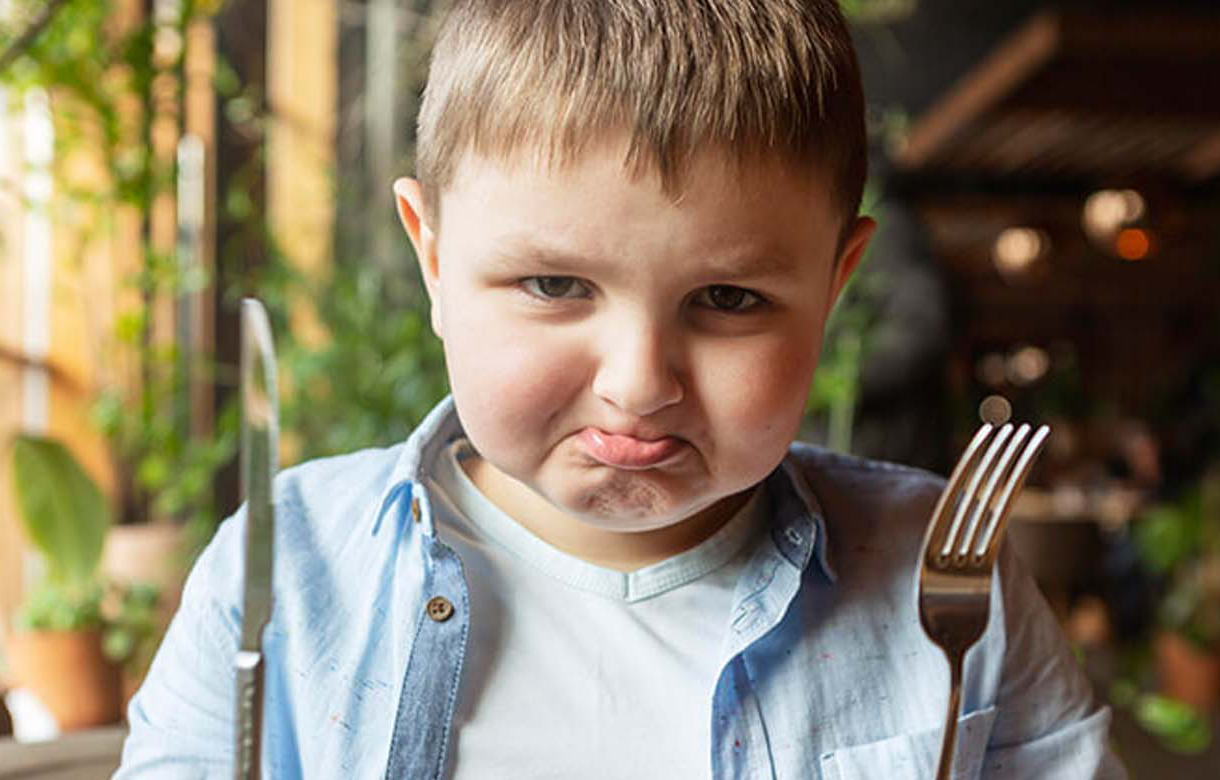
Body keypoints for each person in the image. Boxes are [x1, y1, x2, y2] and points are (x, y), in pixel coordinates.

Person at [115, 2, 1124, 777]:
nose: (639, 385)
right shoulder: (282, 575)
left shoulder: (952, 587)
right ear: (433, 262)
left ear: (834, 286)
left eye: (728, 299)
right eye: (554, 286)